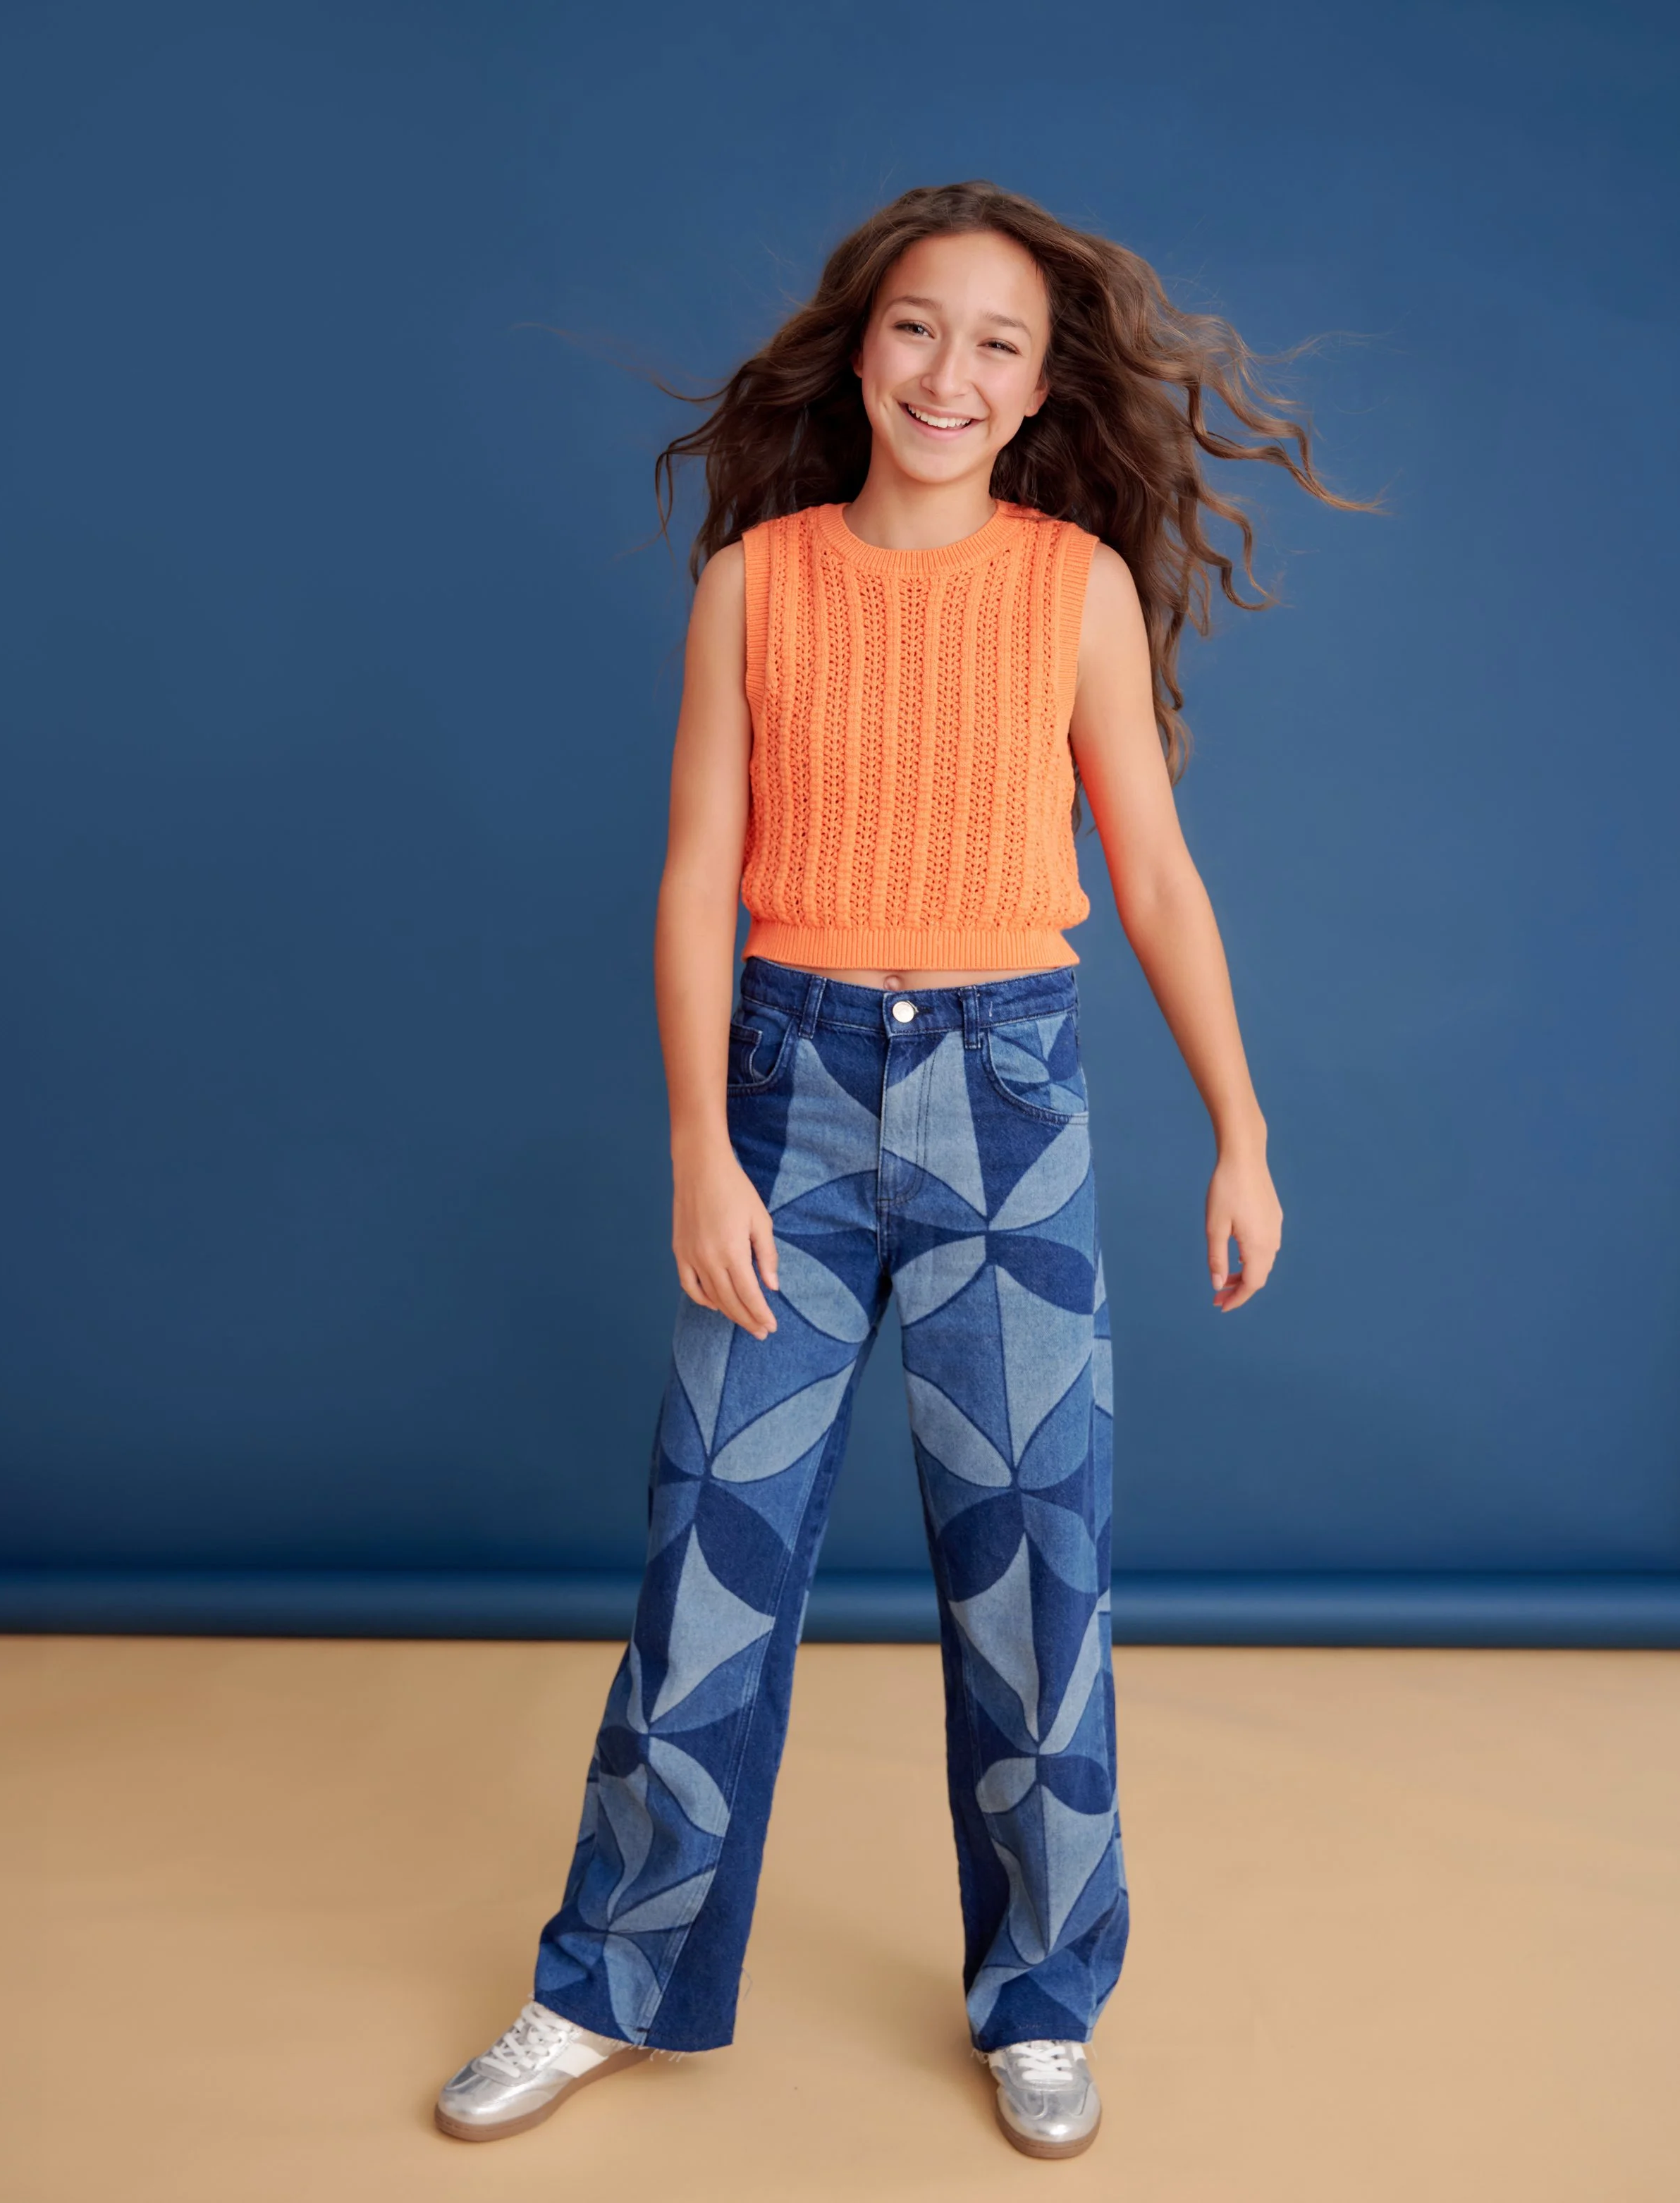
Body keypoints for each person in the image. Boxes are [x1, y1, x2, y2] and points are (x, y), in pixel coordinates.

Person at [434, 178, 1361, 2159]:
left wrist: (1245, 1129)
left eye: (997, 344)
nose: (951, 372)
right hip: (787, 1093)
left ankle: (1043, 1996)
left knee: (1036, 1564)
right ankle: (606, 1980)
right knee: (709, 1552)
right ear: (861, 348)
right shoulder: (755, 582)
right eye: (919, 327)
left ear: (1037, 391)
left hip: (1007, 1103)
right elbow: (696, 874)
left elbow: (1154, 872)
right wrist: (699, 1146)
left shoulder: (1070, 587)